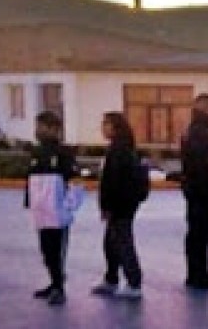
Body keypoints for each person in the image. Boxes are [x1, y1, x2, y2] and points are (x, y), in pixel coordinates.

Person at [24, 110, 80, 307]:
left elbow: (74, 181)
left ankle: (59, 287)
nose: (37, 131)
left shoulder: (64, 152)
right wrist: (30, 202)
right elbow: (32, 180)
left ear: (54, 129)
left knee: (57, 250)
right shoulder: (37, 152)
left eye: (41, 127)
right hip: (41, 210)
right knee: (46, 250)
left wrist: (68, 207)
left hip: (57, 211)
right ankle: (53, 283)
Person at [92, 112, 147, 301]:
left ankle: (134, 283)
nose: (102, 128)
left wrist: (108, 206)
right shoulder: (120, 148)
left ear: (115, 127)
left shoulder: (119, 150)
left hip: (120, 206)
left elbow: (113, 183)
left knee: (122, 243)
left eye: (105, 124)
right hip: (122, 205)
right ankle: (111, 279)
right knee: (111, 243)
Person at [180, 93, 208, 291]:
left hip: (199, 193)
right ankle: (199, 276)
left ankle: (197, 274)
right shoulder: (199, 134)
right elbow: (203, 167)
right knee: (200, 234)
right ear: (205, 108)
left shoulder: (196, 132)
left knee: (198, 234)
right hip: (201, 194)